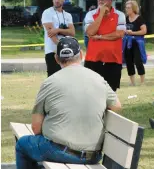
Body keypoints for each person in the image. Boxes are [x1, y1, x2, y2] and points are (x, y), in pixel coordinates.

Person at [15, 37, 121, 169]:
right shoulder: (98, 78)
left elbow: (36, 128)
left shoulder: (50, 82)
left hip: (59, 152)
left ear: (56, 58)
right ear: (81, 55)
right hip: (93, 155)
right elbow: (116, 105)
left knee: (22, 144)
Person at [84, 0, 126, 91]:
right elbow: (90, 32)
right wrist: (101, 14)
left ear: (110, 0)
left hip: (113, 59)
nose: (101, 0)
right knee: (92, 90)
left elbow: (119, 34)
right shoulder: (91, 14)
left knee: (111, 90)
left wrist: (100, 37)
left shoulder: (119, 15)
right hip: (93, 59)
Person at [41, 0, 75, 77]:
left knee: (67, 79)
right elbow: (51, 35)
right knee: (54, 79)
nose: (57, 0)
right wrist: (63, 46)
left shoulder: (68, 15)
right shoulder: (47, 13)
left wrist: (58, 30)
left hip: (67, 53)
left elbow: (72, 32)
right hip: (52, 52)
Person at [123, 0, 147, 86]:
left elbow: (144, 31)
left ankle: (142, 82)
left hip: (137, 43)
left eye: (128, 7)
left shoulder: (139, 18)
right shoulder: (125, 19)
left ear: (133, 8)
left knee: (138, 61)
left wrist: (132, 33)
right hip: (127, 43)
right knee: (129, 62)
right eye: (126, 7)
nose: (126, 9)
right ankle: (132, 82)